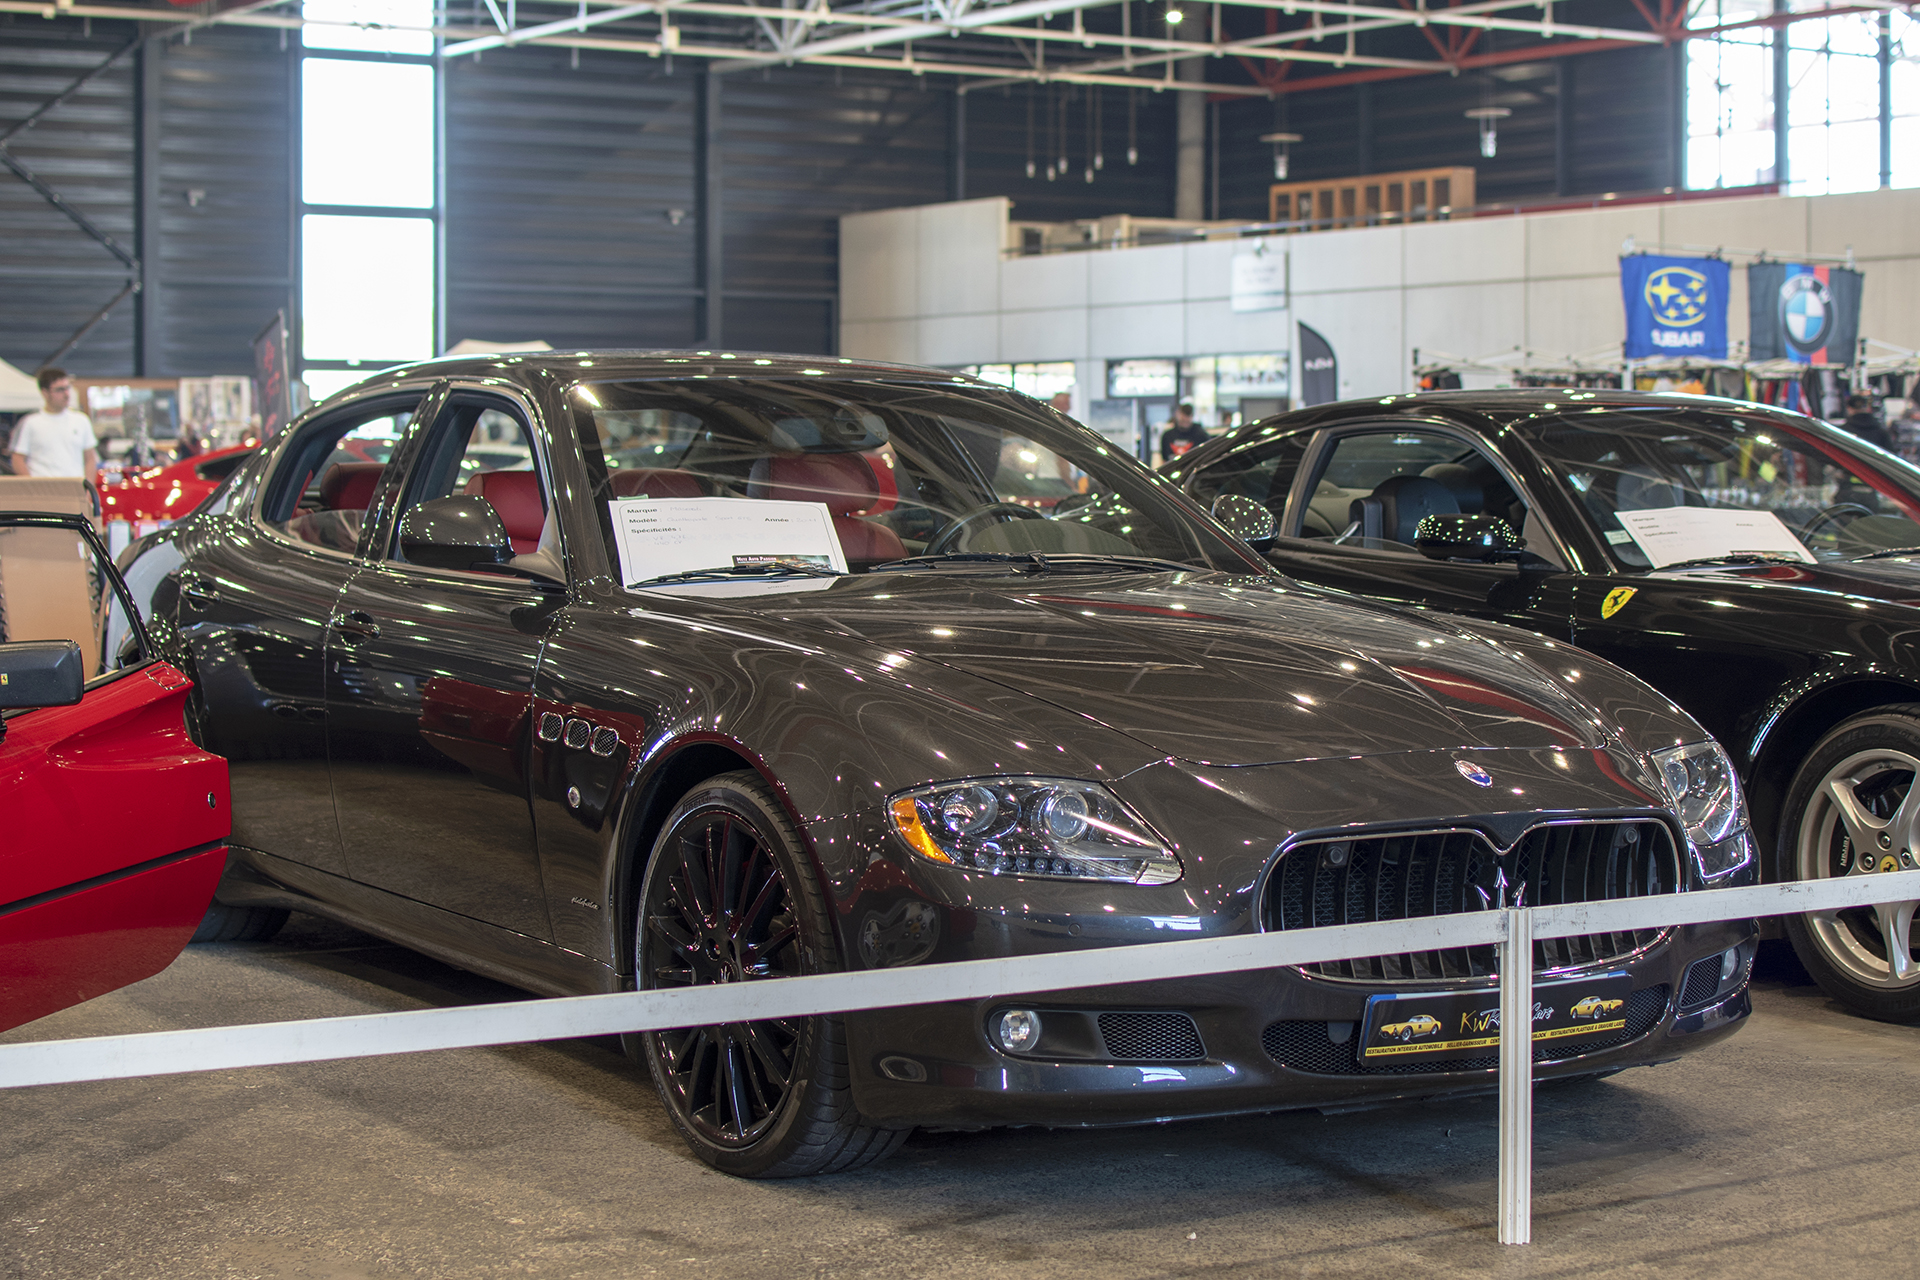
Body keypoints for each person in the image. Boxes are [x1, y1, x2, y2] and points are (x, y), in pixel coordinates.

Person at [8, 367, 97, 479]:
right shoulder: (30, 423)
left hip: (74, 488)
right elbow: (17, 459)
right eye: (59, 390)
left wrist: (88, 489)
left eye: (67, 388)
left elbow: (90, 458)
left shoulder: (81, 421)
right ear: (45, 393)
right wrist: (32, 486)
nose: (66, 394)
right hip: (43, 489)